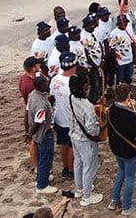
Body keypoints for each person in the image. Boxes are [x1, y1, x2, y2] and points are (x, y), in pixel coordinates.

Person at [107, 84, 136, 215]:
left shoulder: (111, 108)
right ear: (128, 95)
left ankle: (114, 200)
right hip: (128, 151)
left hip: (115, 147)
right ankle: (127, 207)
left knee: (121, 171)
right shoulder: (129, 116)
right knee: (130, 177)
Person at [68, 72, 103, 206]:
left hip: (74, 136)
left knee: (78, 163)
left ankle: (79, 188)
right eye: (87, 83)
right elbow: (93, 130)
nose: (89, 85)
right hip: (86, 141)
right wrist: (103, 126)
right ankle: (87, 196)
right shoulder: (88, 107)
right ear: (84, 86)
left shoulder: (70, 97)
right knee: (89, 167)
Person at [50, 51, 77, 181]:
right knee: (72, 145)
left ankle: (65, 167)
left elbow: (52, 97)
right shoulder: (71, 83)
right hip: (69, 119)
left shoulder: (55, 79)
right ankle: (71, 170)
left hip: (58, 117)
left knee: (63, 144)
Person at [27, 75, 56, 194]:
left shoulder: (32, 95)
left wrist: (28, 131)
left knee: (42, 157)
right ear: (40, 86)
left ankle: (42, 177)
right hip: (43, 134)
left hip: (37, 133)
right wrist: (30, 134)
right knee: (45, 158)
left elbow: (27, 113)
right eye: (45, 83)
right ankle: (42, 185)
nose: (48, 84)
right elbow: (37, 122)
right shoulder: (41, 104)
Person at [20, 56, 42, 174]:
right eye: (38, 65)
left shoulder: (23, 78)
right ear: (34, 68)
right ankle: (37, 166)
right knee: (33, 140)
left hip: (30, 110)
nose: (39, 66)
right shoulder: (31, 85)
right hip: (33, 112)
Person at [81, 15, 104, 103]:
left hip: (99, 63)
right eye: (90, 25)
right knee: (95, 84)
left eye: (93, 24)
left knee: (100, 83)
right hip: (92, 66)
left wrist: (102, 60)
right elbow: (86, 53)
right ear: (86, 26)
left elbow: (99, 45)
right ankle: (93, 102)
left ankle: (99, 99)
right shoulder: (83, 36)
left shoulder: (94, 33)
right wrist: (96, 66)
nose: (93, 26)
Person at [109, 15, 136, 86]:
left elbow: (132, 43)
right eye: (123, 22)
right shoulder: (114, 33)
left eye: (126, 22)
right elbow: (112, 49)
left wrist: (135, 55)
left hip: (129, 60)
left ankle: (128, 93)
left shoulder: (129, 30)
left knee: (129, 78)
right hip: (120, 62)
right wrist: (115, 62)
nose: (125, 24)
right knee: (120, 81)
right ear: (118, 23)